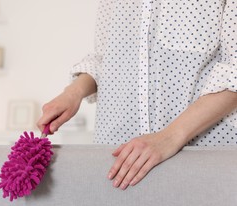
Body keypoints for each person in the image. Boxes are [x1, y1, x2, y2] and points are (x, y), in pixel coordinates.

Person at [37, 0, 237, 190]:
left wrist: (169, 137)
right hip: (117, 157)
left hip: (201, 155)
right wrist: (73, 93)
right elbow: (105, 57)